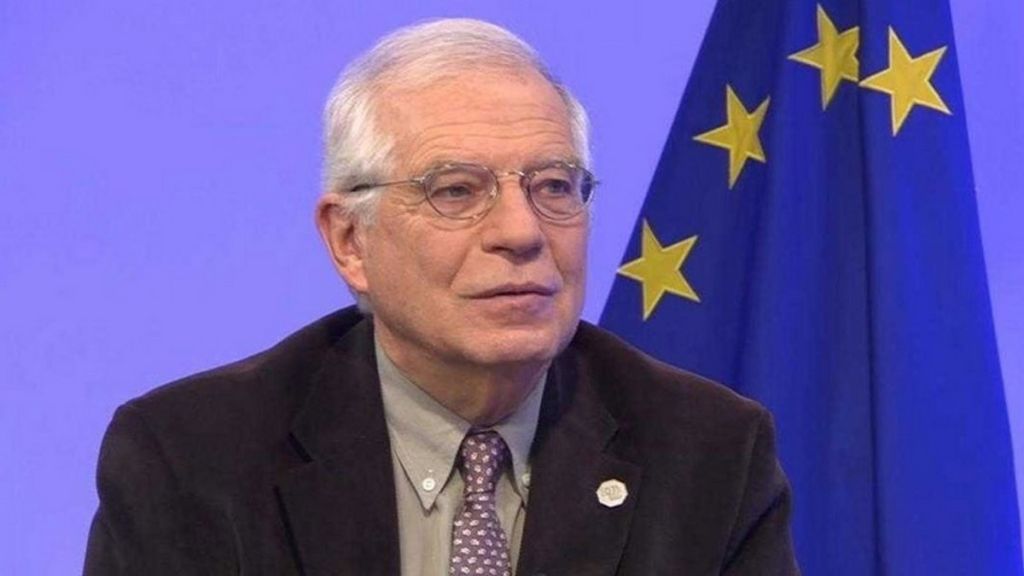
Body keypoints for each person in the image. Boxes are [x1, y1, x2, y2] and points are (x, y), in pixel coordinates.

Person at [84, 18, 798, 576]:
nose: (522, 232)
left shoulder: (708, 453)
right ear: (350, 241)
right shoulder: (193, 458)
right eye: (456, 191)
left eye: (554, 186)